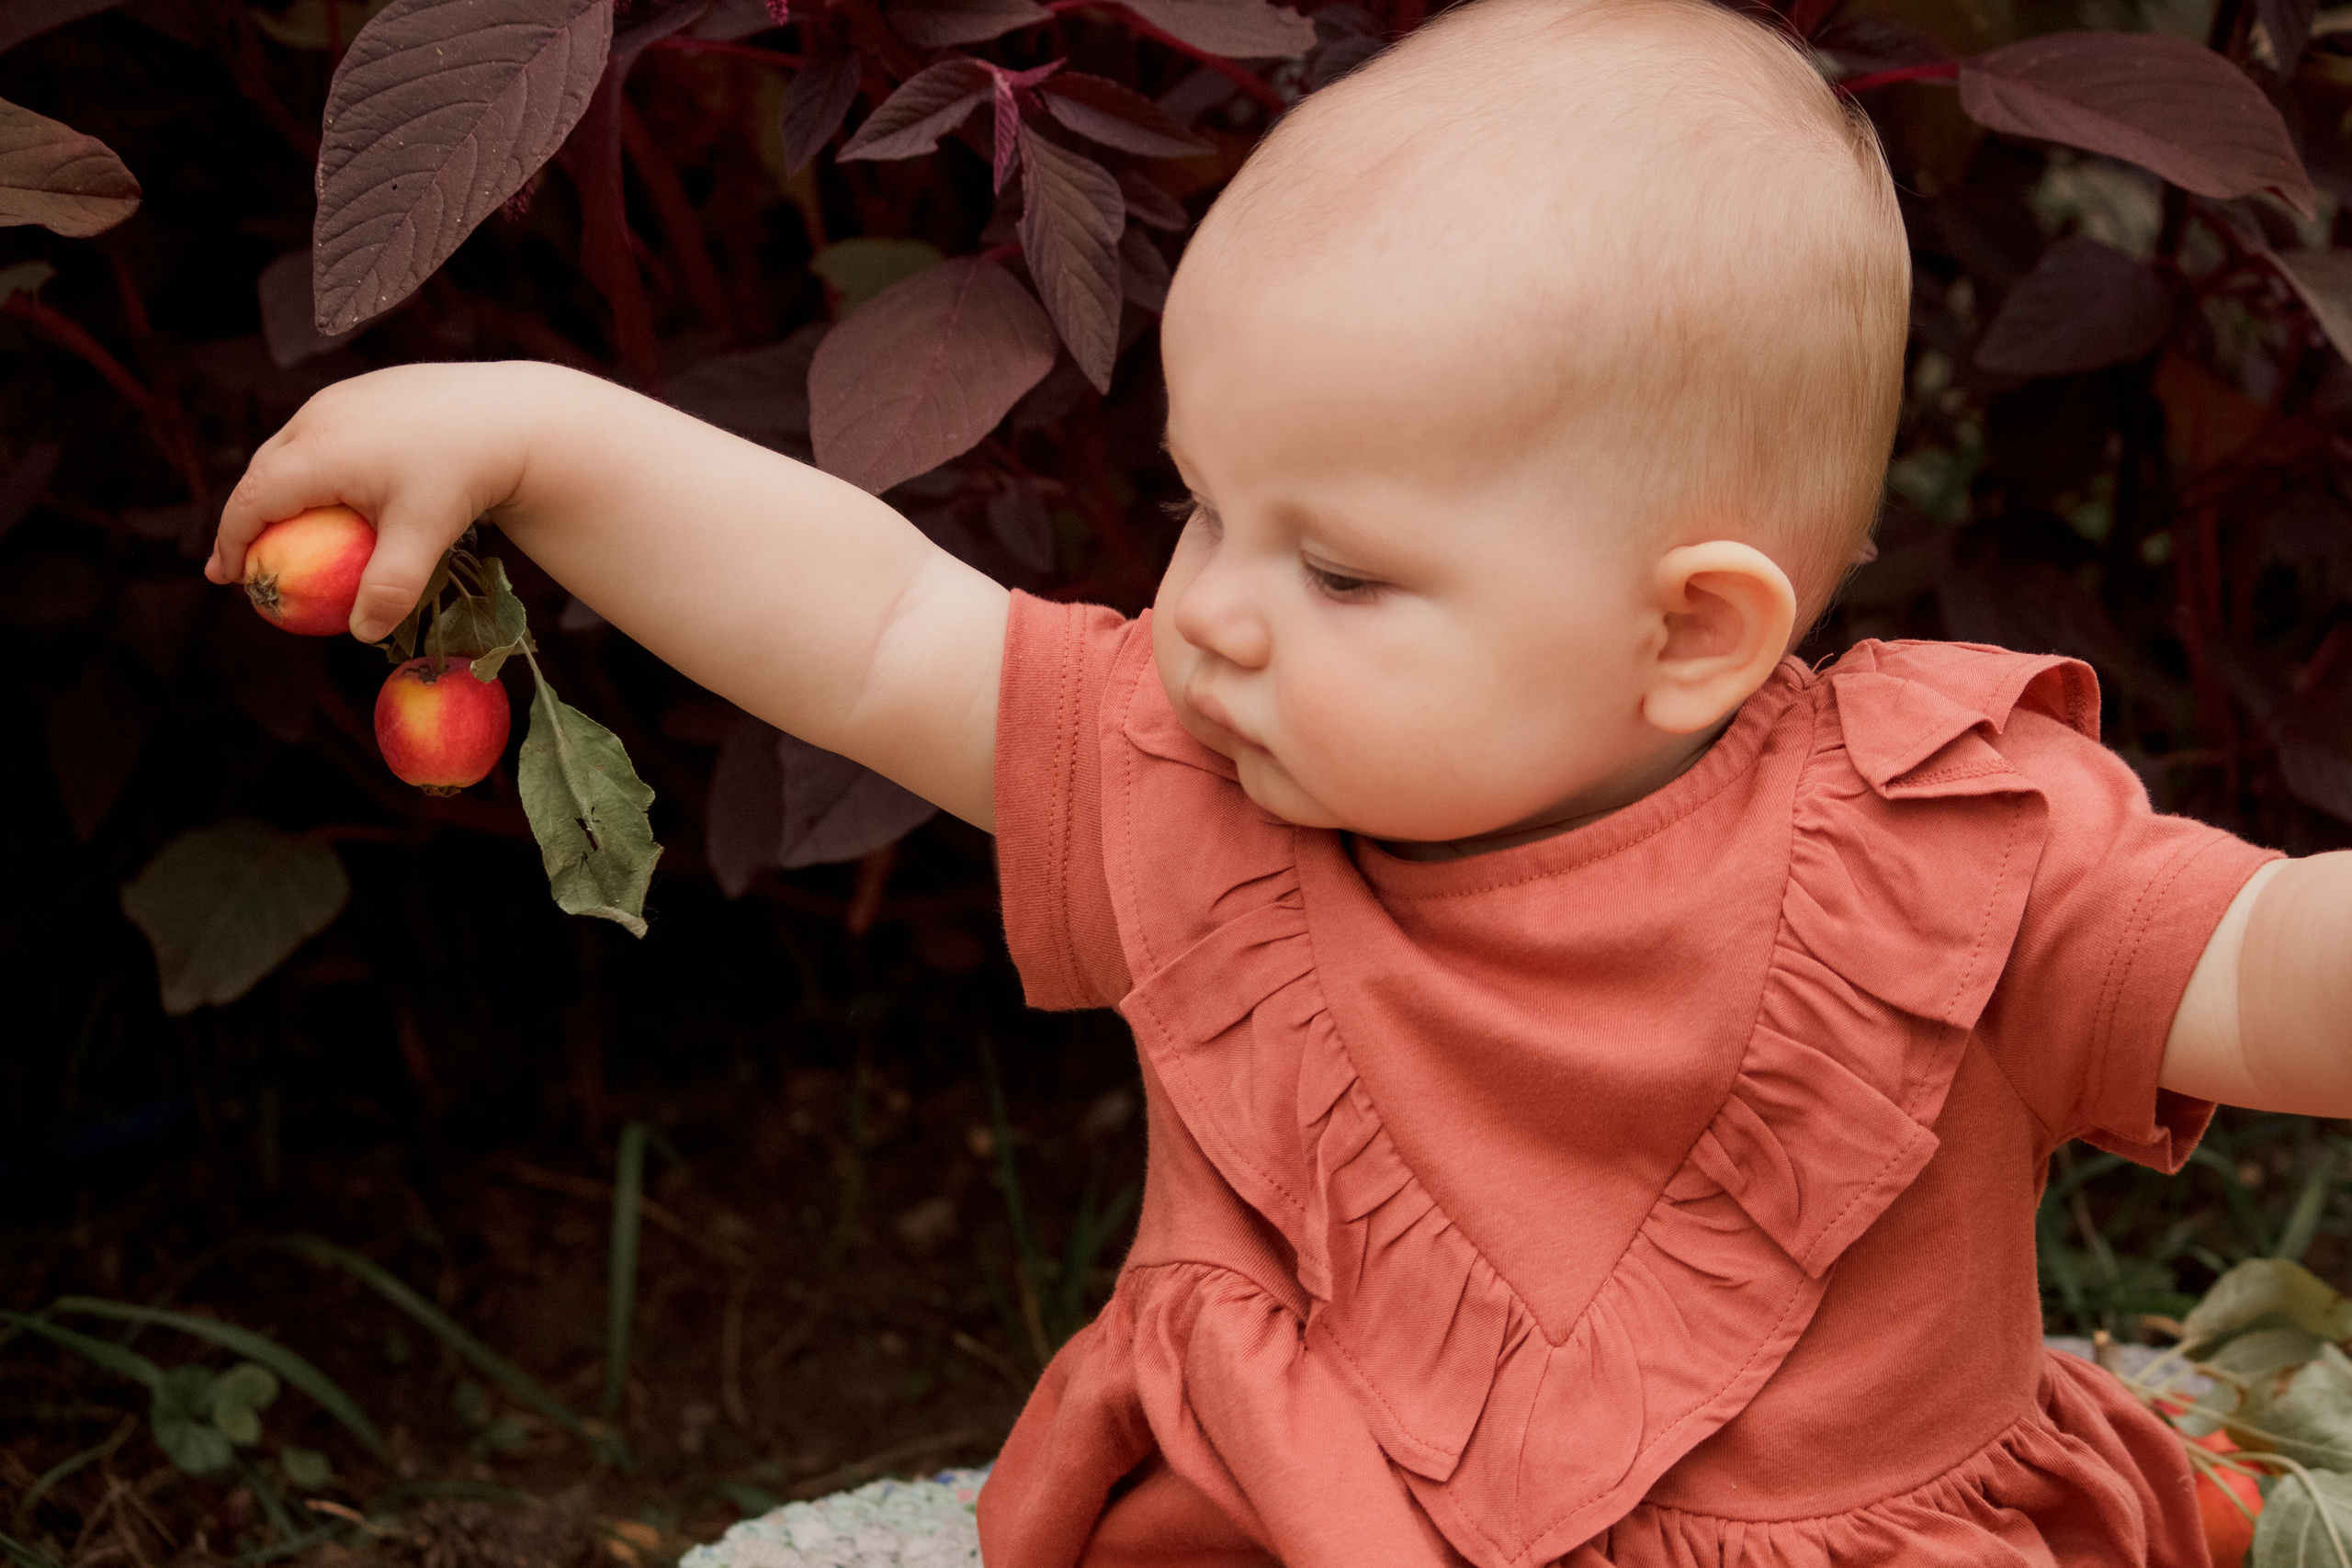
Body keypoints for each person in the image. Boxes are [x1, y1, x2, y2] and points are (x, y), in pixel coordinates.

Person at [207, 0, 2351, 1560]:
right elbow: (873, 627)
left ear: (1691, 628)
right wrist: (546, 441)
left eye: (1334, 564)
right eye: (1206, 505)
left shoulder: (1929, 853)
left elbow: (2262, 973)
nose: (1211, 606)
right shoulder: (1199, 768)